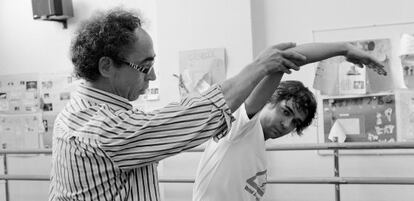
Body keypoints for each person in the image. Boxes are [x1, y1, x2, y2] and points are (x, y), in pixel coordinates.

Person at [48, 8, 311, 201]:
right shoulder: (102, 129)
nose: (152, 76)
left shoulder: (75, 112)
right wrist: (260, 66)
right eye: (145, 66)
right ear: (106, 66)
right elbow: (195, 115)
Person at [192, 43, 387, 201]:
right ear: (269, 100)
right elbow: (284, 57)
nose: (286, 125)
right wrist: (343, 49)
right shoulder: (241, 126)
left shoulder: (258, 146)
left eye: (295, 122)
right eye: (285, 111)